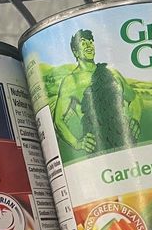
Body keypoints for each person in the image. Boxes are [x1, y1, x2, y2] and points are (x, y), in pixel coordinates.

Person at [51, 29, 139, 158]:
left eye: (91, 42)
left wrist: (135, 118)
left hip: (124, 138)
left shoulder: (111, 73)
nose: (89, 45)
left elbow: (134, 98)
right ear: (75, 52)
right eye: (83, 42)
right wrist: (77, 143)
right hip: (98, 147)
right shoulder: (71, 80)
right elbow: (58, 120)